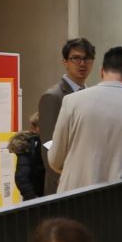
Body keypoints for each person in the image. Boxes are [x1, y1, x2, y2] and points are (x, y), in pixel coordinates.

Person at [47, 46, 122, 194]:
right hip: (118, 198)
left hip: (73, 196)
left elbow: (55, 159)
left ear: (101, 71)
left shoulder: (71, 101)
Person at [37, 37, 96, 195]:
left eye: (87, 59)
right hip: (63, 185)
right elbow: (48, 144)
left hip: (88, 181)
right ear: (65, 62)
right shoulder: (53, 96)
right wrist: (63, 179)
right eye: (76, 58)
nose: (82, 63)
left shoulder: (92, 96)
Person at [7, 112, 46, 203]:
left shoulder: (45, 143)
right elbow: (22, 177)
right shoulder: (27, 145)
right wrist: (32, 198)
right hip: (35, 198)